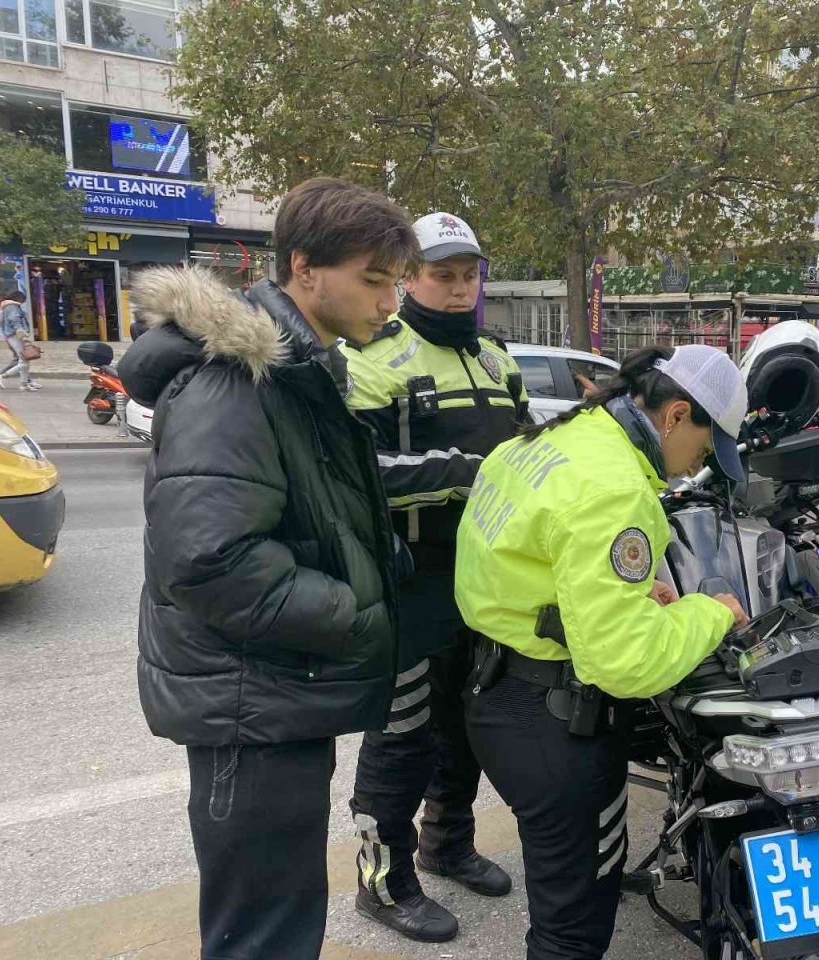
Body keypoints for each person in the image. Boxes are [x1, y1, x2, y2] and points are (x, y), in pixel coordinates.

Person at [117, 177, 418, 960]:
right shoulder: (234, 379)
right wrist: (349, 609)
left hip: (275, 689)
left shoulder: (298, 369)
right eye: (374, 279)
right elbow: (209, 559)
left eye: (394, 281)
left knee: (278, 921)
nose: (391, 301)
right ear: (304, 268)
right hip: (250, 704)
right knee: (263, 936)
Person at [456, 344, 750, 960]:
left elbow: (527, 562)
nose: (695, 465)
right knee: (572, 929)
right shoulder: (615, 490)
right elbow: (623, 661)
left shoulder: (549, 439)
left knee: (573, 878)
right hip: (558, 723)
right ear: (673, 416)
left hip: (497, 688)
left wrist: (635, 593)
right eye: (704, 445)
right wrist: (709, 613)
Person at [340, 212, 527, 943]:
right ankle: (382, 885)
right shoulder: (373, 356)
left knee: (466, 728)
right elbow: (361, 478)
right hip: (408, 582)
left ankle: (446, 844)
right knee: (402, 736)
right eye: (441, 275)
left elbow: (527, 460)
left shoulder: (497, 359)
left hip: (486, 583)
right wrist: (473, 474)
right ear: (409, 276)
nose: (457, 289)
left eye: (468, 275)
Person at [0, 290, 39, 391]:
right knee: (24, 361)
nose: (23, 303)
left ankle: (24, 384)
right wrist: (23, 335)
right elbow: (15, 321)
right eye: (22, 300)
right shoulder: (12, 307)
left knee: (24, 360)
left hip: (12, 335)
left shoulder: (6, 307)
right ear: (18, 298)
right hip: (16, 336)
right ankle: (0, 376)